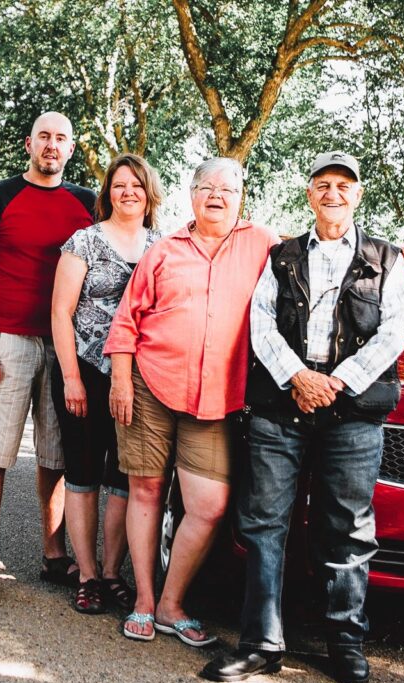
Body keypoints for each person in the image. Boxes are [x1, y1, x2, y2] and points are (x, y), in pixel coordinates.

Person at [201, 151, 404, 683]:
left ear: (358, 195)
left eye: (344, 185)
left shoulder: (386, 259)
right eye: (323, 184)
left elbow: (394, 332)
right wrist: (299, 378)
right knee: (264, 524)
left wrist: (337, 382)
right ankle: (260, 643)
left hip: (353, 413)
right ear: (309, 193)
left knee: (347, 528)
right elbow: (261, 323)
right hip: (282, 408)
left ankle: (345, 642)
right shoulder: (281, 256)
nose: (333, 194)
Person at [103, 157, 278, 645]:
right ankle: (142, 599)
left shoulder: (263, 245)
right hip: (149, 385)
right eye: (206, 187)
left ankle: (170, 602)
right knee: (146, 491)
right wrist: (120, 381)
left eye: (227, 188)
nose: (216, 195)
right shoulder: (163, 251)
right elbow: (126, 321)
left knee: (209, 506)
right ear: (191, 195)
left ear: (242, 197)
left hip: (217, 398)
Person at [0, 111, 96, 604]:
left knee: (56, 455)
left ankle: (53, 553)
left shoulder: (88, 203)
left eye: (61, 138)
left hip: (66, 347)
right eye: (44, 137)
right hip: (9, 340)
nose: (52, 145)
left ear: (72, 148)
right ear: (29, 144)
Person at [49, 154, 163, 614]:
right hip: (86, 372)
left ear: (148, 192)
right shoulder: (85, 242)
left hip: (140, 378)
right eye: (119, 185)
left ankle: (113, 572)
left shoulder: (163, 245)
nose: (128, 192)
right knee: (82, 471)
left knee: (124, 475)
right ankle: (89, 575)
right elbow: (60, 313)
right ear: (107, 193)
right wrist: (72, 378)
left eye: (136, 184)